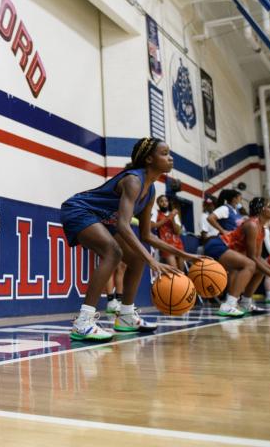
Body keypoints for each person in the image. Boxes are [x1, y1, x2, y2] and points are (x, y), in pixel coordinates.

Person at [61, 138, 199, 342]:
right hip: (79, 210)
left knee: (137, 258)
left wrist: (184, 254)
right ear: (149, 159)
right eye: (164, 153)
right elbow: (123, 225)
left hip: (103, 218)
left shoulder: (150, 190)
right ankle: (83, 322)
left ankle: (126, 316)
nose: (170, 158)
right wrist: (153, 261)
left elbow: (146, 234)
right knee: (113, 252)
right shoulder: (134, 180)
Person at [203, 197, 270, 316]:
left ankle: (246, 302)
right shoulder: (252, 225)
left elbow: (258, 257)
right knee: (250, 264)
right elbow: (252, 258)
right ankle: (228, 305)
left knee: (260, 269)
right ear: (261, 209)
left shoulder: (262, 230)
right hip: (217, 245)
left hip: (227, 249)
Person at [152, 194, 185, 270]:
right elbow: (152, 225)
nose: (164, 203)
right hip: (165, 244)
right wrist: (168, 218)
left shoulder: (173, 214)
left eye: (166, 201)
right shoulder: (156, 212)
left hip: (177, 243)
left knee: (181, 272)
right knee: (175, 271)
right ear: (158, 203)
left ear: (168, 203)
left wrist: (172, 218)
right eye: (161, 201)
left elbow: (177, 232)